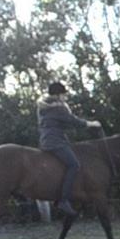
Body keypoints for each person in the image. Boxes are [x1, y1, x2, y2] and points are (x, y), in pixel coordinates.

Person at [37, 81, 100, 216]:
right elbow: (73, 121)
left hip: (45, 141)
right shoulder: (59, 108)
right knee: (74, 165)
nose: (65, 97)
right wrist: (91, 123)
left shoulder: (43, 107)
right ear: (59, 95)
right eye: (64, 94)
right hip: (56, 142)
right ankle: (63, 199)